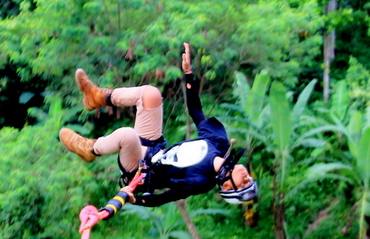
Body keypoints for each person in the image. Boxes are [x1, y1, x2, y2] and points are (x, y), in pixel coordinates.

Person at [59, 43, 257, 208]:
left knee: (127, 135)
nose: (247, 177)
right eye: (250, 180)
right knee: (151, 94)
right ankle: (98, 97)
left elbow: (164, 198)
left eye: (244, 183)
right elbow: (196, 112)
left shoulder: (201, 181)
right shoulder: (219, 143)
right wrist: (188, 73)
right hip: (154, 146)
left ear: (228, 187)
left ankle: (90, 149)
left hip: (140, 168)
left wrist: (133, 198)